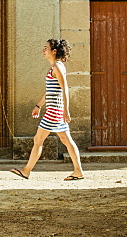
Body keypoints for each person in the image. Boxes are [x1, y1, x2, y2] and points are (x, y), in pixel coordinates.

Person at [11, 39, 85, 181]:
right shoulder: (55, 67)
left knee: (38, 139)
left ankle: (26, 171)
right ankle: (78, 171)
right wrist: (39, 106)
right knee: (66, 140)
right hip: (55, 109)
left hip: (54, 111)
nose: (43, 51)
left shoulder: (57, 67)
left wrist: (66, 111)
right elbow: (50, 91)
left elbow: (65, 89)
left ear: (54, 51)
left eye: (46, 48)